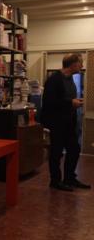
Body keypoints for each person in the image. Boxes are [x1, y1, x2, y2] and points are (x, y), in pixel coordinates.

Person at [42, 53, 90, 191]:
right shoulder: (54, 80)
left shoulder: (70, 79)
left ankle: (69, 178)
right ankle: (55, 181)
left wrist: (74, 103)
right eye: (80, 62)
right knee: (56, 153)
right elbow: (49, 103)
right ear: (73, 63)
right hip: (57, 123)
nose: (82, 65)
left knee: (74, 149)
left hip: (69, 123)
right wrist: (71, 103)